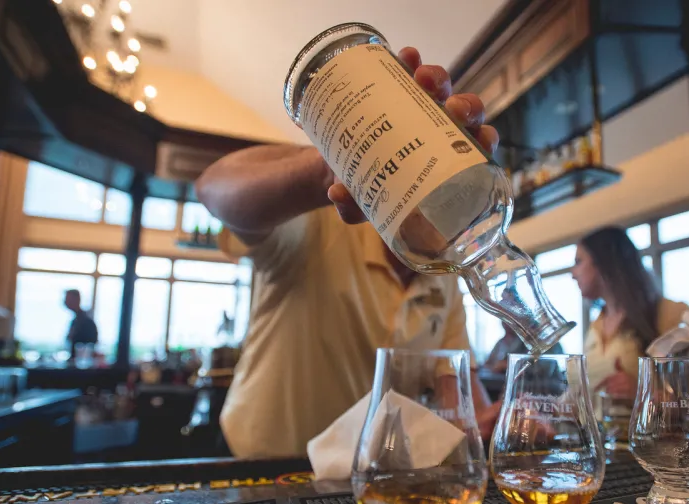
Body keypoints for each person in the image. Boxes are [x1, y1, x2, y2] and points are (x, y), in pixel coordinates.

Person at [196, 47, 501, 459]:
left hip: (368, 478)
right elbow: (214, 188)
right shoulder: (322, 222)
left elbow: (454, 383)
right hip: (264, 464)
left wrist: (495, 418)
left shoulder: (443, 271)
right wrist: (339, 162)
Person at [570, 227, 689, 399]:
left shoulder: (669, 314)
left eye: (578, 261)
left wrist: (642, 394)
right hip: (600, 426)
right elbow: (584, 399)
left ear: (603, 261)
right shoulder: (596, 326)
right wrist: (546, 406)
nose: (572, 274)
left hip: (647, 427)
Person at [482, 322, 564, 374]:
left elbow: (544, 370)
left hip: (550, 391)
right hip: (523, 390)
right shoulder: (520, 341)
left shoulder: (551, 343)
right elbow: (507, 360)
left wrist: (513, 365)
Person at [63, 289, 97, 359]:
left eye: (67, 299)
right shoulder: (76, 320)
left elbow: (91, 345)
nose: (65, 302)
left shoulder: (86, 321)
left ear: (76, 299)